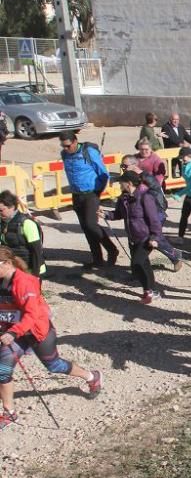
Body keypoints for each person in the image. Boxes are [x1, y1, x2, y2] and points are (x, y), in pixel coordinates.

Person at [0, 247, 103, 430]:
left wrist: (12, 332)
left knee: (54, 365)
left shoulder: (25, 282)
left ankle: (92, 376)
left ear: (7, 263)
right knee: (2, 371)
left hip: (36, 331)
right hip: (15, 333)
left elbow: (31, 315)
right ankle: (9, 412)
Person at [59, 131, 118, 268]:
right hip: (76, 194)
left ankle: (112, 249)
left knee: (91, 225)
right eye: (63, 146)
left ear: (75, 141)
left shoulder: (89, 152)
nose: (66, 149)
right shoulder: (64, 154)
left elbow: (103, 174)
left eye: (68, 146)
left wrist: (97, 193)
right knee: (86, 227)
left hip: (91, 193)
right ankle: (97, 259)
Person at [104, 171, 164, 303]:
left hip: (146, 238)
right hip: (132, 238)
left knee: (137, 263)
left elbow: (154, 220)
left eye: (121, 182)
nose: (119, 185)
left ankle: (149, 291)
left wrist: (154, 237)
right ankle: (151, 291)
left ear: (129, 183)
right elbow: (119, 214)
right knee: (144, 264)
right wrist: (106, 215)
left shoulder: (145, 197)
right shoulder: (123, 198)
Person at [120, 154, 181, 271]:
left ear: (134, 165)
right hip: (138, 215)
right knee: (136, 241)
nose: (122, 168)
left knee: (151, 240)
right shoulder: (128, 178)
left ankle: (174, 256)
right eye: (122, 166)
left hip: (153, 214)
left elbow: (158, 196)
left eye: (125, 166)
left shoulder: (146, 178)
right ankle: (137, 269)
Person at [0, 192, 44, 276]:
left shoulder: (27, 223)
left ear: (12, 207)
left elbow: (36, 251)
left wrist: (35, 275)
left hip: (30, 269)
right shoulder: (2, 222)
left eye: (1, 210)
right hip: (13, 268)